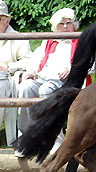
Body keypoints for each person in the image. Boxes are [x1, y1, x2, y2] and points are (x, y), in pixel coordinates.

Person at [16, 8, 79, 157]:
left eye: (68, 23)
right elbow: (35, 61)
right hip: (43, 78)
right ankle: (25, 137)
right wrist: (30, 72)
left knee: (46, 91)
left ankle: (53, 138)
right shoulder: (48, 41)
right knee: (25, 88)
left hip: (66, 83)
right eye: (61, 24)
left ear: (74, 24)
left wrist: (72, 69)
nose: (65, 27)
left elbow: (91, 63)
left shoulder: (79, 40)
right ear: (55, 27)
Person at [0, 0, 32, 147]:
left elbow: (28, 61)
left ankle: (13, 140)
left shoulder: (18, 38)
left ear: (7, 21)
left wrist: (7, 67)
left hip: (7, 80)